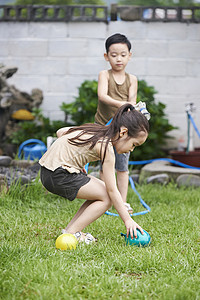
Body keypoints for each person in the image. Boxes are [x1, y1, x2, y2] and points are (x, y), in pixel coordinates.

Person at [39, 103, 149, 244]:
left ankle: (69, 232)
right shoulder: (107, 148)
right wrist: (128, 220)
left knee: (99, 191)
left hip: (47, 171)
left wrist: (75, 161)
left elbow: (61, 132)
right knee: (107, 197)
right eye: (134, 145)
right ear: (123, 132)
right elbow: (112, 190)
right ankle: (73, 233)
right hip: (60, 175)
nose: (132, 150)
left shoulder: (95, 130)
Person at [94, 33, 138, 214]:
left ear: (129, 55)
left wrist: (130, 109)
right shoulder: (104, 75)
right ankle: (104, 199)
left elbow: (132, 103)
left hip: (122, 131)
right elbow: (102, 96)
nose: (118, 59)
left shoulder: (132, 79)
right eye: (113, 55)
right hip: (103, 127)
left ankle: (123, 202)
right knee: (105, 164)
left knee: (122, 167)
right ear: (106, 57)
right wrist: (123, 104)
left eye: (122, 54)